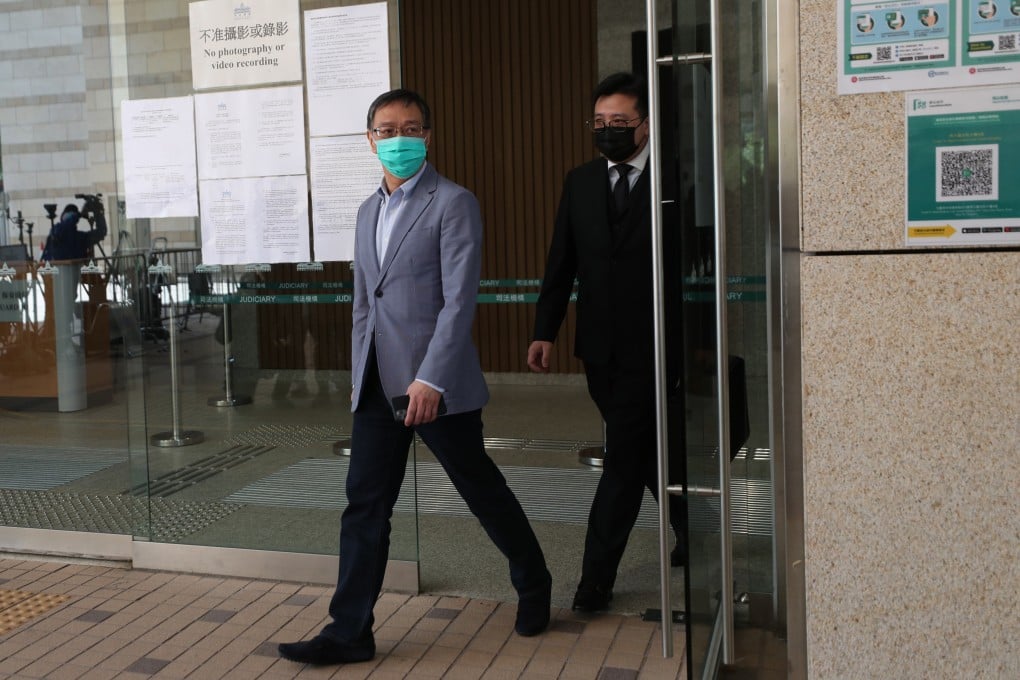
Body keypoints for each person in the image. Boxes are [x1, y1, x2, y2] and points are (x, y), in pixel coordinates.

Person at [279, 88, 552, 666]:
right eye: (386, 129)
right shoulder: (366, 210)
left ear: (427, 136)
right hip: (379, 386)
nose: (397, 138)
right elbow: (363, 304)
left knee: (479, 489)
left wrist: (431, 378)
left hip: (435, 385)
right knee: (365, 504)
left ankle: (534, 584)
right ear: (369, 138)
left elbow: (459, 302)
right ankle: (349, 629)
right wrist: (359, 381)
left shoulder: (454, 202)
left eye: (410, 128)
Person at [527, 72, 686, 613]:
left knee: (622, 456)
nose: (608, 130)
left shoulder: (676, 180)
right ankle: (690, 525)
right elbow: (561, 262)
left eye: (619, 122)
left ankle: (595, 579)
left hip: (657, 346)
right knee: (642, 451)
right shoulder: (581, 181)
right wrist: (544, 331)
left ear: (645, 126)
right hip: (598, 347)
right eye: (600, 122)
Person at [41, 196, 107, 261]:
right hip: (58, 269)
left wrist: (99, 213)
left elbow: (101, 232)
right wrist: (80, 214)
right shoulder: (56, 232)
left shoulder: (81, 238)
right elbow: (65, 227)